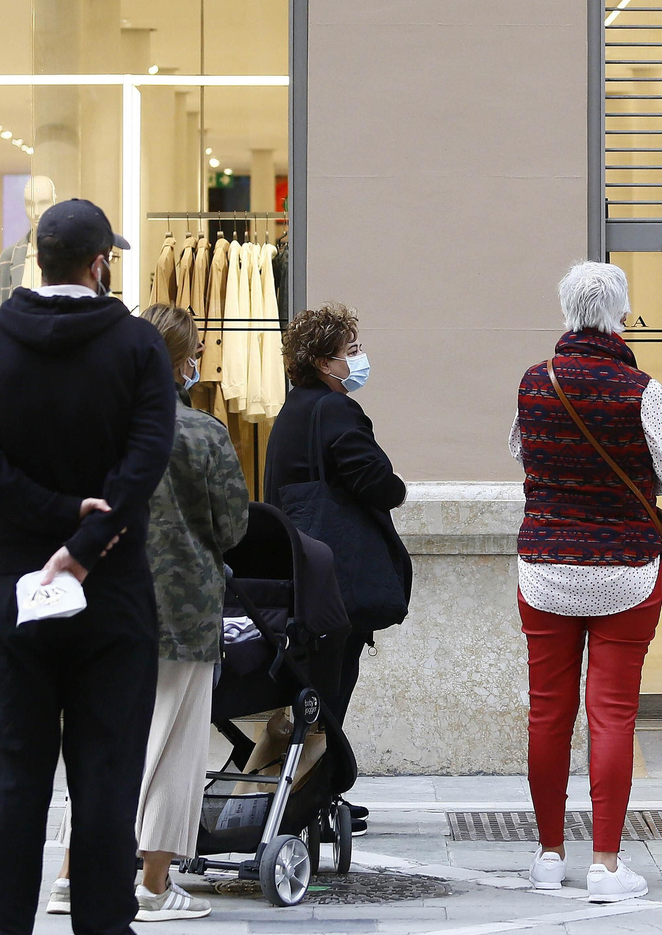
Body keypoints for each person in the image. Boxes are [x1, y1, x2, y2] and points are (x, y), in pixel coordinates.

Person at [0, 198, 176, 935]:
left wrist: (48, 516)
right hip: (112, 598)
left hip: (15, 593)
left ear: (35, 259)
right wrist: (81, 543)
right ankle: (104, 925)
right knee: (107, 784)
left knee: (13, 781)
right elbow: (144, 465)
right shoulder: (139, 349)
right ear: (100, 263)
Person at [47, 305, 250, 922]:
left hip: (104, 610)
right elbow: (234, 526)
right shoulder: (202, 433)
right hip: (183, 613)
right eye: (192, 356)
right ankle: (154, 886)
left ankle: (70, 878)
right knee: (172, 751)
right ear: (179, 362)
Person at [508, 262, 662, 903]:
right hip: (625, 575)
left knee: (548, 713)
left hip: (547, 569)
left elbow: (519, 450)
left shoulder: (534, 384)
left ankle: (549, 855)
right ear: (620, 314)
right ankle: (606, 864)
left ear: (566, 312)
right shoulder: (642, 390)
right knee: (612, 717)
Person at [266, 303, 412, 832]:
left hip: (299, 574)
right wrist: (395, 489)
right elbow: (371, 476)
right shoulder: (335, 411)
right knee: (328, 691)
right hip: (334, 580)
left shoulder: (294, 410)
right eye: (351, 352)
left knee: (314, 690)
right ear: (325, 362)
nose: (359, 360)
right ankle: (311, 799)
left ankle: (312, 795)